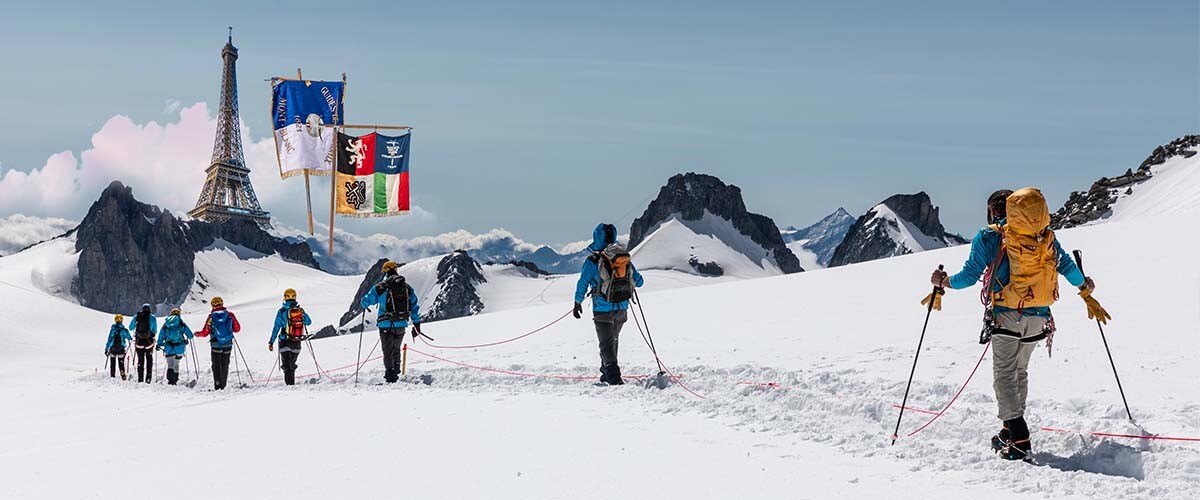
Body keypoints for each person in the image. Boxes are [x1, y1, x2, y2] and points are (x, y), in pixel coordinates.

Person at [928, 187, 1107, 461]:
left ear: (992, 211)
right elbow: (1067, 266)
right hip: (1040, 320)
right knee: (1019, 372)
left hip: (1006, 317)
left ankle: (1019, 439)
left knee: (1004, 378)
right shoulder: (1043, 237)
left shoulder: (988, 236)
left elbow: (968, 276)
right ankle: (1008, 432)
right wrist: (1084, 286)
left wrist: (943, 282)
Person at [573, 223, 644, 385]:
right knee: (613, 341)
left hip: (602, 309)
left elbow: (582, 283)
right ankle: (606, 372)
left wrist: (577, 302)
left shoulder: (592, 261)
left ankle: (614, 378)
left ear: (596, 238)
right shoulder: (623, 260)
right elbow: (639, 281)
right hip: (622, 308)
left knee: (606, 345)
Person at [360, 261, 422, 383]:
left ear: (385, 271)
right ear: (396, 270)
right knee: (396, 348)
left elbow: (366, 301)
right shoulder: (407, 288)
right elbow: (414, 306)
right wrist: (417, 324)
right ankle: (397, 371)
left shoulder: (381, 287)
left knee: (387, 351)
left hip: (385, 324)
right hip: (401, 324)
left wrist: (363, 302)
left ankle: (390, 375)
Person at [197, 296, 241, 390]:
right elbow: (237, 329)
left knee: (216, 365)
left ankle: (218, 385)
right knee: (225, 364)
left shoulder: (211, 317)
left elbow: (205, 332)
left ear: (212, 305)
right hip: (228, 344)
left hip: (215, 344)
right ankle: (223, 385)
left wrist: (197, 334)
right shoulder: (230, 315)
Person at [270, 289, 312, 386]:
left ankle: (290, 386)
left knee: (286, 365)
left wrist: (271, 341)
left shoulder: (282, 311)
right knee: (292, 364)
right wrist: (302, 314)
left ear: (285, 297)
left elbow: (276, 327)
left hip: (285, 340)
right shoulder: (300, 310)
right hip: (297, 341)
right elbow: (308, 322)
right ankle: (291, 384)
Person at [156, 308, 194, 386]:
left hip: (169, 346)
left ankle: (170, 381)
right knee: (177, 363)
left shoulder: (166, 323)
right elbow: (189, 334)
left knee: (170, 364)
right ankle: (175, 380)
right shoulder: (181, 323)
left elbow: (161, 335)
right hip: (180, 347)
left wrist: (159, 344)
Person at [128, 303, 158, 384]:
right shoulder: (152, 317)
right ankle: (148, 379)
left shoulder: (137, 316)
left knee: (140, 361)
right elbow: (155, 330)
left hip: (139, 342)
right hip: (149, 342)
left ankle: (140, 379)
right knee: (149, 360)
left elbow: (130, 327)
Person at [105, 315, 132, 380]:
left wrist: (106, 349)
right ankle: (123, 376)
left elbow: (109, 339)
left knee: (112, 363)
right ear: (122, 321)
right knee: (121, 364)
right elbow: (129, 337)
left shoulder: (113, 330)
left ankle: (112, 376)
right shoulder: (124, 330)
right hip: (121, 349)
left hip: (113, 349)